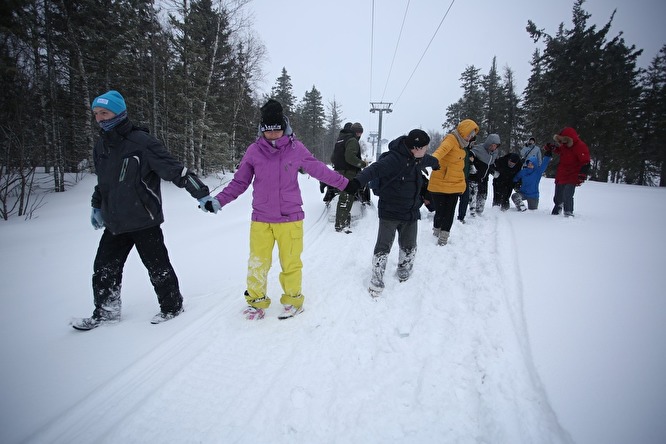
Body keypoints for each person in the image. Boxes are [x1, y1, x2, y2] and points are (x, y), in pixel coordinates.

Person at [199, 99, 353, 320]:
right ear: (262, 129)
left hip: (290, 218)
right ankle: (256, 302)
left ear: (285, 127)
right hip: (261, 219)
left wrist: (346, 184)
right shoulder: (253, 151)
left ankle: (292, 300)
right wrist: (219, 201)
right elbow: (239, 182)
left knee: (290, 262)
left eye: (277, 130)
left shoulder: (295, 148)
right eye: (268, 131)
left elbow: (319, 169)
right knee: (257, 263)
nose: (273, 135)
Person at [72, 90, 212, 331]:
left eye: (104, 113)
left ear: (118, 112)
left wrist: (201, 193)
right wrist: (97, 206)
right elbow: (103, 183)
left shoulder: (142, 143)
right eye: (96, 114)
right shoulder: (101, 147)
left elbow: (176, 171)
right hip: (115, 222)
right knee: (104, 268)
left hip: (144, 218)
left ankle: (172, 306)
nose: (100, 119)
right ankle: (105, 311)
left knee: (158, 266)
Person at [344, 129, 439, 297]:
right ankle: (377, 277)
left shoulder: (419, 159)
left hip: (411, 211)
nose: (427, 151)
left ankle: (404, 269)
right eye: (425, 147)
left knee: (409, 245)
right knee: (383, 246)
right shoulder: (393, 159)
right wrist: (356, 182)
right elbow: (373, 170)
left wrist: (436, 163)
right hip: (390, 211)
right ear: (415, 148)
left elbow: (429, 160)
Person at [427, 119, 479, 246]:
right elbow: (440, 151)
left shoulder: (463, 145)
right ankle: (436, 231)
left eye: (471, 136)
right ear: (463, 131)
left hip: (454, 184)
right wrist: (433, 161)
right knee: (440, 211)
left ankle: (443, 237)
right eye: (469, 134)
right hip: (441, 183)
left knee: (449, 211)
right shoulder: (451, 139)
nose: (470, 138)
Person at [331, 121, 367, 233]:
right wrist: (362, 163)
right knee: (346, 198)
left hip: (339, 172)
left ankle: (344, 221)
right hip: (348, 173)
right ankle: (340, 225)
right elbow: (350, 157)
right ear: (358, 132)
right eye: (360, 133)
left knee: (344, 197)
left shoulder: (340, 139)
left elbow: (333, 158)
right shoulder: (352, 140)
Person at [550, 127, 591, 217]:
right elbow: (560, 151)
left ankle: (568, 211)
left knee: (567, 194)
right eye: (560, 140)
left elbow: (586, 161)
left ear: (569, 139)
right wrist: (553, 148)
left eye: (563, 140)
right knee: (558, 193)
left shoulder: (580, 146)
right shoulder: (564, 146)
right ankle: (558, 205)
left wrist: (582, 174)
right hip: (562, 173)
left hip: (573, 174)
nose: (562, 142)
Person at [468, 133, 500, 216]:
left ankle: (479, 212)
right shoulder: (479, 148)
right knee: (472, 194)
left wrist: (493, 171)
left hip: (484, 178)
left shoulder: (495, 152)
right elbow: (469, 155)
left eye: (496, 146)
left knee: (483, 195)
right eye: (492, 145)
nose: (493, 147)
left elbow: (491, 164)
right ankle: (471, 212)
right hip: (474, 177)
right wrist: (471, 166)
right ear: (488, 143)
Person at [456, 141, 476, 223]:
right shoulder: (461, 149)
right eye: (472, 142)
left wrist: (471, 164)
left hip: (465, 178)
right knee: (452, 199)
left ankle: (461, 217)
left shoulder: (469, 152)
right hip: (456, 178)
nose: (473, 144)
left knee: (465, 198)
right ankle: (446, 216)